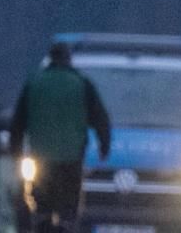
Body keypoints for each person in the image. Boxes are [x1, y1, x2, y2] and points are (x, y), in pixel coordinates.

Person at [10, 43, 113, 233]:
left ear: (50, 58)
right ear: (68, 58)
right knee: (68, 209)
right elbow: (100, 118)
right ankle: (65, 226)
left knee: (42, 206)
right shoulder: (81, 83)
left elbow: (18, 122)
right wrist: (104, 146)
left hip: (41, 157)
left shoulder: (34, 82)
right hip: (71, 159)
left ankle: (44, 225)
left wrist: (15, 152)